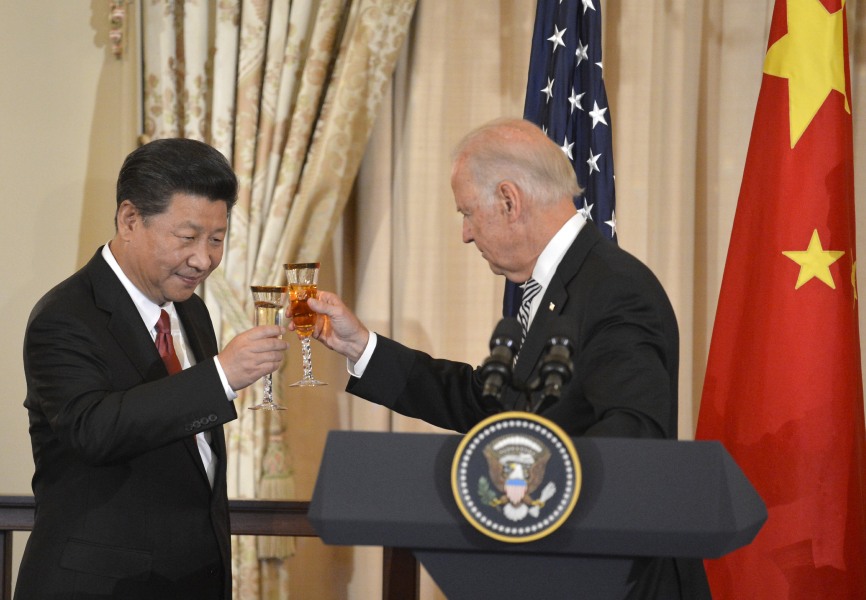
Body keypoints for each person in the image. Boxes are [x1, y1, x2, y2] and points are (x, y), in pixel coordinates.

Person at [294, 118, 710, 599]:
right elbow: (496, 408)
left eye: (468, 213)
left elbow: (634, 437)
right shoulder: (558, 284)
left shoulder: (614, 288)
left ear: (510, 201)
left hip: (617, 580)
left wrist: (516, 481)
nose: (466, 235)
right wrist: (360, 345)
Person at [16, 138, 288, 600]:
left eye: (217, 239)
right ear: (129, 220)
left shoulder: (192, 312)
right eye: (187, 238)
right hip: (101, 585)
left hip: (193, 578)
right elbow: (95, 430)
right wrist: (221, 377)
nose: (204, 259)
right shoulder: (65, 315)